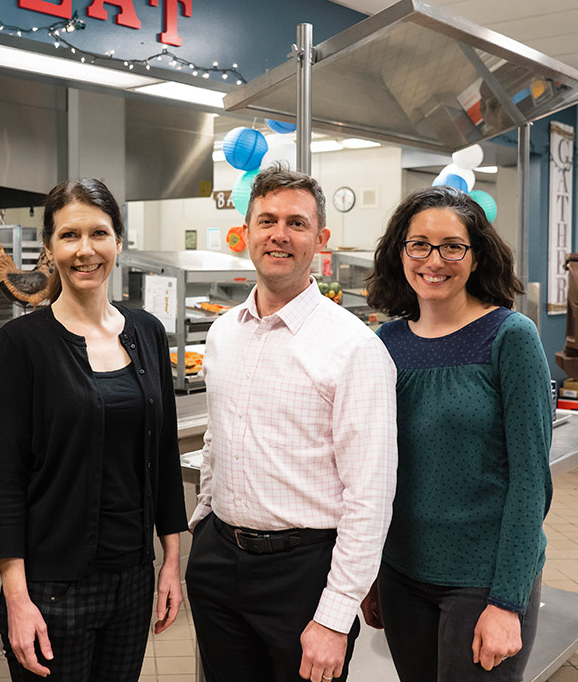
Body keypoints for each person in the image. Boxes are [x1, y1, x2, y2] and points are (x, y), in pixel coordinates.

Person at [185, 165, 398, 682]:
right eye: (267, 221)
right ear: (247, 233)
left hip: (303, 574)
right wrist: (204, 522)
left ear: (320, 240)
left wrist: (335, 614)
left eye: (297, 224)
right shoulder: (222, 333)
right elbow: (218, 438)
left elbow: (370, 495)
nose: (279, 234)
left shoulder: (355, 348)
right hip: (219, 561)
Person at [0, 178, 188, 681]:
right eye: (69, 236)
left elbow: (162, 454)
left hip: (134, 578)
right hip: (52, 589)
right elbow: (7, 478)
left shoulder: (146, 332)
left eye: (98, 234)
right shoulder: (23, 343)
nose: (85, 250)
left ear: (118, 241)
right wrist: (17, 597)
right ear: (50, 250)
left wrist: (170, 561)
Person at [361, 185, 553, 682]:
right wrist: (370, 573)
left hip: (482, 579)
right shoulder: (387, 343)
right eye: (419, 244)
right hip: (402, 574)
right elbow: (374, 470)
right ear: (400, 252)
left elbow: (532, 481)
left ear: (475, 255)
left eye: (452, 246)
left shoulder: (510, 337)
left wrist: (508, 601)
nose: (434, 260)